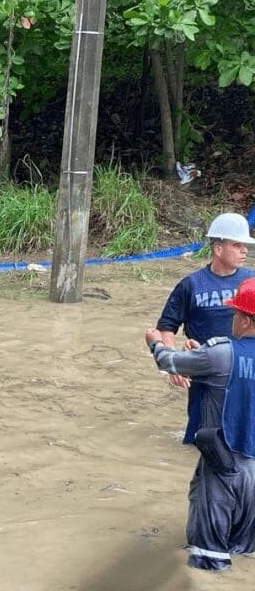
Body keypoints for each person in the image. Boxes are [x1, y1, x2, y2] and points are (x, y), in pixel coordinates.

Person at [145, 277, 255, 571]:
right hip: (253, 474)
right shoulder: (217, 353)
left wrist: (154, 341)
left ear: (245, 320)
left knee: (209, 564)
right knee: (245, 554)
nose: (232, 318)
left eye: (234, 313)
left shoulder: (220, 353)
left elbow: (168, 362)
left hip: (221, 467)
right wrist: (202, 353)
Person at [156, 212, 255, 400]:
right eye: (237, 245)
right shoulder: (191, 285)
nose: (244, 250)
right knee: (204, 426)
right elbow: (167, 327)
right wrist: (174, 365)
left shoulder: (252, 282)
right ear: (218, 249)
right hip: (205, 376)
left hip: (246, 374)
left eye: (245, 245)